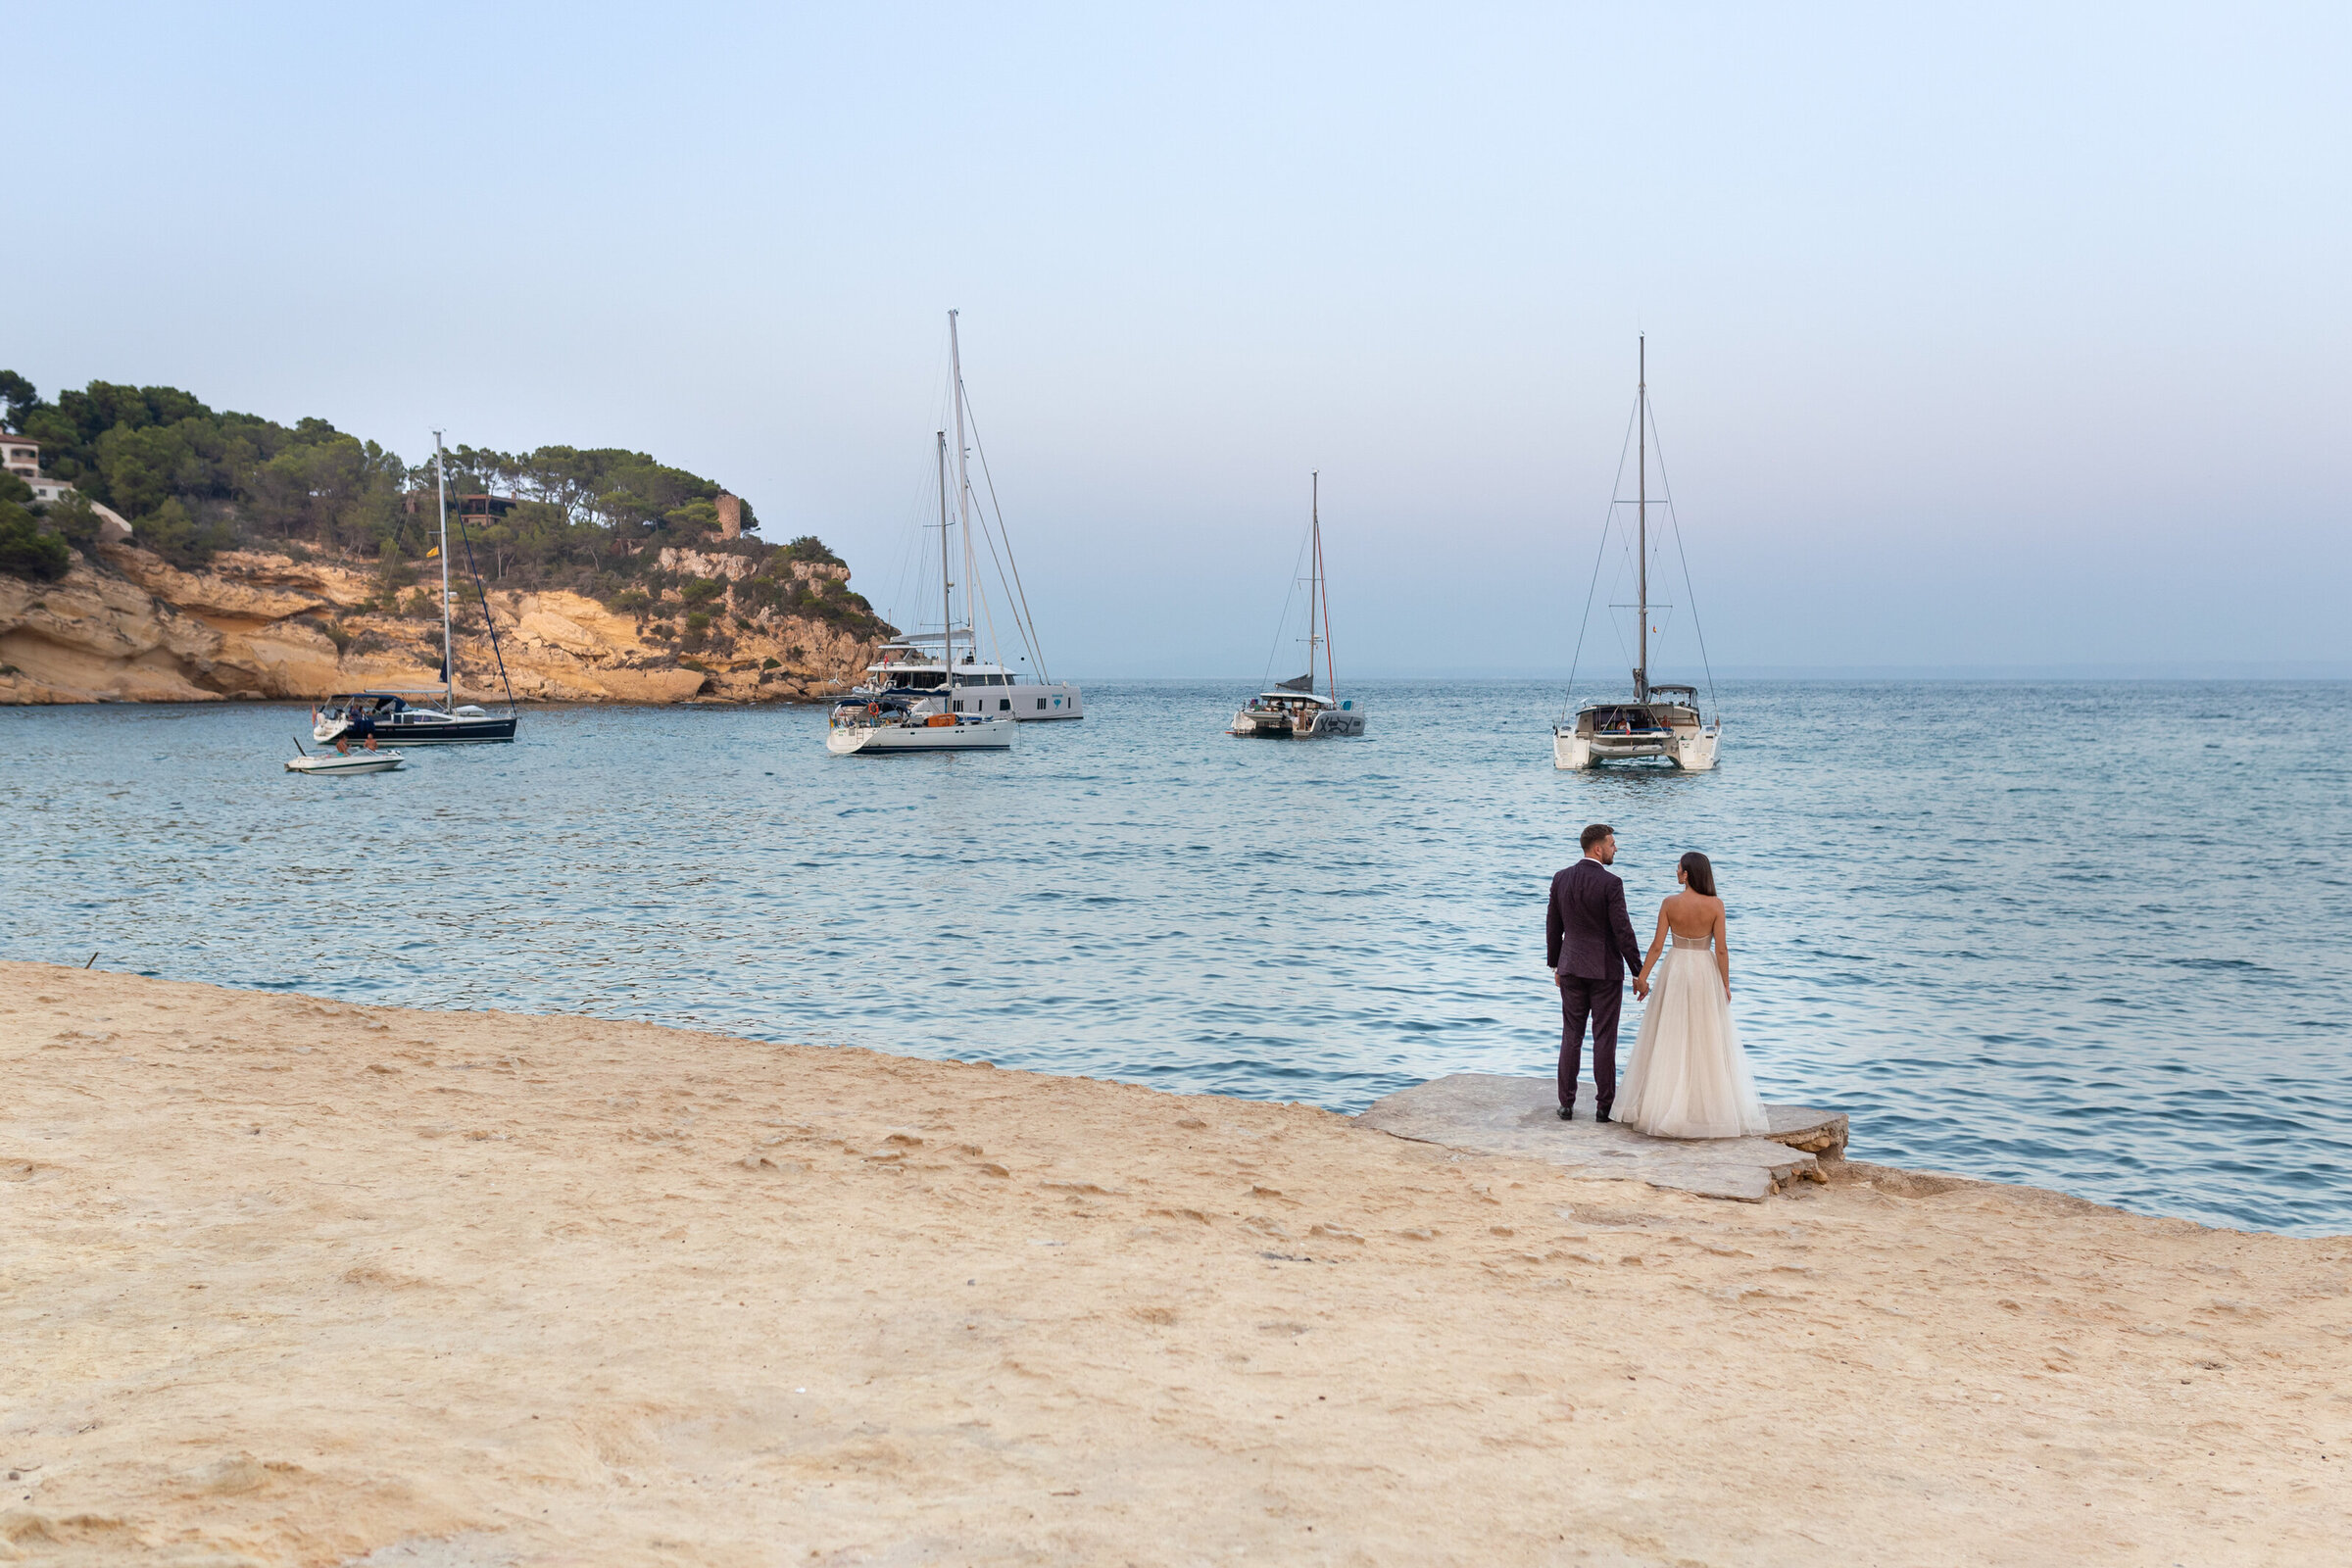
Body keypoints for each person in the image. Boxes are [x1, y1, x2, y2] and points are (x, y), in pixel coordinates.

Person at [1614, 851, 1769, 1140]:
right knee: (1705, 1037)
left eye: (1678, 869)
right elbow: (1721, 949)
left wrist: (1642, 978)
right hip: (1703, 971)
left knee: (1670, 1036)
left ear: (1687, 874)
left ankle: (1662, 1105)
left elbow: (1657, 947)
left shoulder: (1670, 904)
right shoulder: (1716, 905)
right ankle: (1704, 1108)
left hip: (1676, 970)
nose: (1676, 873)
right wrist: (1725, 983)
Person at [1544, 823, 1647, 1123]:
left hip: (1571, 967)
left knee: (1571, 1035)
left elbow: (1553, 926)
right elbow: (1622, 930)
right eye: (1612, 844)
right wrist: (1638, 971)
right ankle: (1604, 1107)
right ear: (1598, 848)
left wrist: (1556, 964)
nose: (1616, 849)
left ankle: (1566, 1104)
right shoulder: (1611, 883)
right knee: (1604, 1038)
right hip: (1604, 971)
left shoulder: (1561, 878)